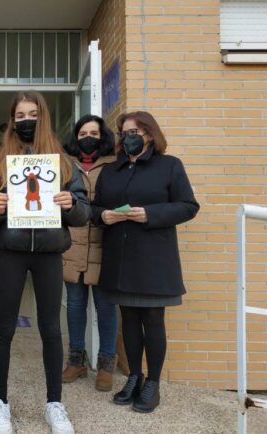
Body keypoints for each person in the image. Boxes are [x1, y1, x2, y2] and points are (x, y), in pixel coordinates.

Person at [0, 91, 91, 434]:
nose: (26, 120)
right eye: (20, 115)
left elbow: (83, 213)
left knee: (50, 329)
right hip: (11, 251)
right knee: (4, 327)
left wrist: (71, 204)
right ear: (12, 121)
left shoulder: (63, 162)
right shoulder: (1, 162)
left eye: (33, 114)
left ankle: (54, 403)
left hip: (48, 253)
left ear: (42, 118)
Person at [91, 111, 199, 413]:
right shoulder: (111, 171)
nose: (128, 137)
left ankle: (153, 383)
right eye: (124, 133)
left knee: (152, 320)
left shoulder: (169, 166)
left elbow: (188, 206)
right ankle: (134, 377)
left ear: (150, 135)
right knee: (128, 319)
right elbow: (95, 208)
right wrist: (103, 215)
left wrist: (150, 214)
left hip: (154, 259)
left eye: (134, 132)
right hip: (120, 258)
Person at [61, 114, 118, 391]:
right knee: (74, 306)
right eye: (83, 133)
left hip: (105, 244)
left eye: (94, 133)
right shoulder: (65, 164)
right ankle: (76, 360)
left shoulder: (115, 164)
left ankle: (106, 364)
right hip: (73, 244)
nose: (88, 138)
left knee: (106, 307)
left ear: (102, 136)